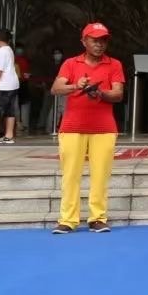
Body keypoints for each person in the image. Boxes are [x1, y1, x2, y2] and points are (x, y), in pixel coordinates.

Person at [50, 23, 125, 234]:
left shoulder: (114, 64)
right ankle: (67, 219)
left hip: (104, 128)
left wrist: (100, 93)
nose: (100, 44)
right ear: (84, 41)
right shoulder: (70, 64)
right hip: (72, 127)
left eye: (103, 40)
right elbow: (56, 88)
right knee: (70, 174)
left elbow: (118, 94)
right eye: (95, 40)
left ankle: (97, 218)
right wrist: (76, 86)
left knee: (100, 175)